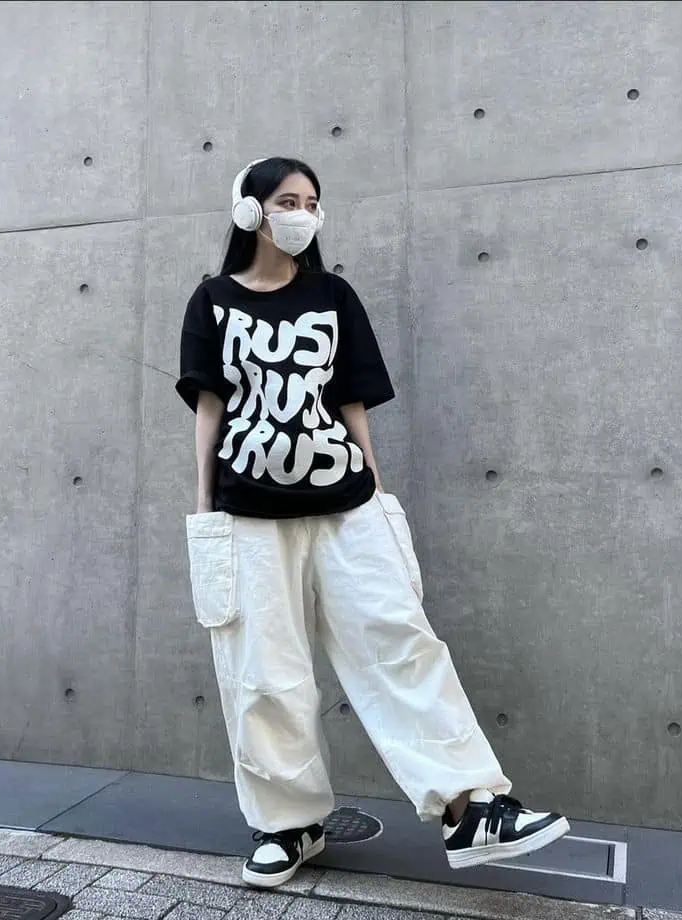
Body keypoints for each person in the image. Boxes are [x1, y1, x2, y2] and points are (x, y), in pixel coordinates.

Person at [176, 157, 570, 889]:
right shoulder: (212, 300)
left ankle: (470, 806)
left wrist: (378, 492)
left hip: (347, 504)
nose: (303, 214)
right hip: (247, 512)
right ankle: (287, 823)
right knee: (263, 673)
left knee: (399, 642)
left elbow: (352, 398)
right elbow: (210, 407)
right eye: (288, 200)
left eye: (312, 202)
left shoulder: (333, 294)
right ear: (250, 211)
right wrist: (206, 510)